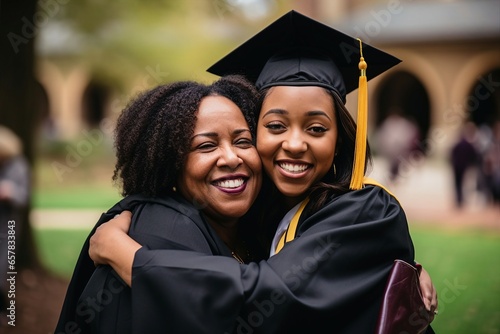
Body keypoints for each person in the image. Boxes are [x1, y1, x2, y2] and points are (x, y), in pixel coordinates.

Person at [89, 10, 437, 334]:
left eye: (316, 128)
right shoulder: (261, 211)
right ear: (256, 135)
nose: (295, 144)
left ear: (340, 141)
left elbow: (267, 297)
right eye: (275, 125)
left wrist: (132, 259)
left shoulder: (368, 210)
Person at [54, 76, 264, 333]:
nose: (231, 158)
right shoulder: (161, 232)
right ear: (169, 163)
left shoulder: (258, 228)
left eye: (243, 141)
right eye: (206, 146)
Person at [0, 125, 30, 326]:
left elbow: (24, 197)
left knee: (5, 273)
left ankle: (9, 315)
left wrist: (9, 192)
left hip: (9, 228)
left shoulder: (19, 165)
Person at [449, 121, 479, 207]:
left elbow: (452, 154)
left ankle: (458, 199)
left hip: (456, 166)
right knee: (462, 183)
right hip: (463, 167)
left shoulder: (457, 144)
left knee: (457, 184)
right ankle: (460, 199)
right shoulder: (468, 144)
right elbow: (473, 155)